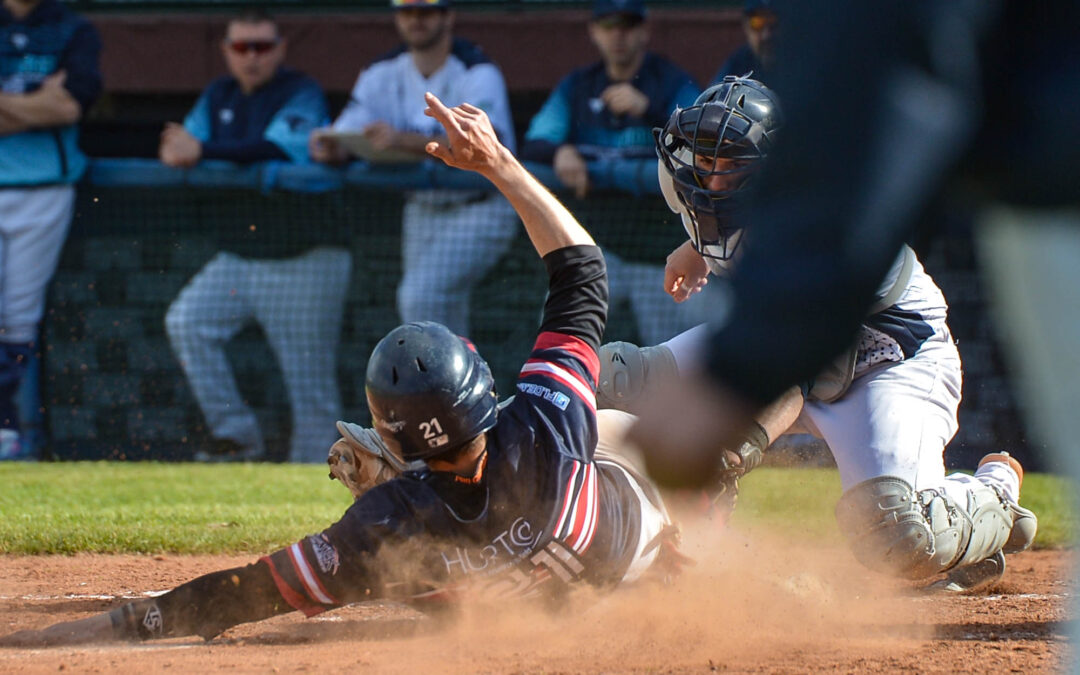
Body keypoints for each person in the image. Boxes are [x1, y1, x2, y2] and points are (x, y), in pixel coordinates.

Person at [0, 92, 682, 648]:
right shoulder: (547, 425)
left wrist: (113, 626)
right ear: (480, 394)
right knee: (610, 392)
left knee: (419, 569)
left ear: (399, 441)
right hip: (636, 546)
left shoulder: (385, 525)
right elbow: (581, 272)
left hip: (527, 618)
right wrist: (501, 164)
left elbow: (241, 592)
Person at [601, 76, 1039, 592]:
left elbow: (797, 369)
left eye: (734, 165)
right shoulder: (738, 210)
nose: (712, 181)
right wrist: (694, 250)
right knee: (614, 378)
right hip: (787, 355)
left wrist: (731, 447)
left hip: (890, 365)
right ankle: (550, 507)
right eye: (704, 161)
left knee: (898, 534)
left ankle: (994, 492)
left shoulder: (827, 226)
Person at [161, 10, 349, 463]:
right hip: (241, 258)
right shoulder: (218, 94)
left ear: (280, 49)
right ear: (227, 51)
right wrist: (184, 148)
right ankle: (236, 437)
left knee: (310, 385)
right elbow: (180, 144)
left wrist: (202, 151)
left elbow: (275, 146)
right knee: (186, 321)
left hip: (304, 259)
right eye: (242, 47)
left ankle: (316, 485)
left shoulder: (299, 90)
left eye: (262, 47)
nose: (252, 57)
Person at [309, 0, 517, 338]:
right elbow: (348, 130)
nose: (416, 20)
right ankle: (466, 388)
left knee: (419, 299)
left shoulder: (477, 70)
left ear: (447, 16)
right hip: (422, 206)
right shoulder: (383, 70)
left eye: (426, 11)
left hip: (480, 205)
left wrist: (401, 140)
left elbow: (483, 147)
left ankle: (449, 387)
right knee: (444, 317)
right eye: (408, 12)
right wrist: (333, 147)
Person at [519, 0, 704, 346]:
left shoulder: (671, 82)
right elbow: (534, 141)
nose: (618, 34)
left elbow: (705, 144)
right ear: (594, 31)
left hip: (661, 257)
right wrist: (559, 151)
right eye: (608, 25)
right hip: (600, 251)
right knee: (559, 330)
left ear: (644, 30)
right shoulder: (578, 86)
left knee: (668, 354)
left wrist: (652, 112)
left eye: (628, 24)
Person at [0, 0, 101, 460]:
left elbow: (66, 106)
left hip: (43, 188)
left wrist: (45, 104)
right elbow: (48, 103)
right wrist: (35, 102)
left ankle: (7, 427)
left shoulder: (70, 28)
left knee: (18, 316)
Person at [710, 0, 777, 86]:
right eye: (757, 23)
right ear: (745, 25)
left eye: (773, 22)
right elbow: (714, 94)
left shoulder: (798, 65)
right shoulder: (737, 64)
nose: (766, 35)